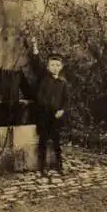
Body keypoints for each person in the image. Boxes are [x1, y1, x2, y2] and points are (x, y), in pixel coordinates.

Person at [28, 37, 69, 176]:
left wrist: (62, 110)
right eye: (52, 65)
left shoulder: (63, 83)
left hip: (56, 117)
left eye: (57, 65)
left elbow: (66, 100)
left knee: (57, 141)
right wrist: (34, 46)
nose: (55, 67)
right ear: (47, 67)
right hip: (44, 115)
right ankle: (42, 167)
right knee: (43, 141)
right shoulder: (43, 77)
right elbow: (36, 62)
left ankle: (59, 165)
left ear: (61, 67)